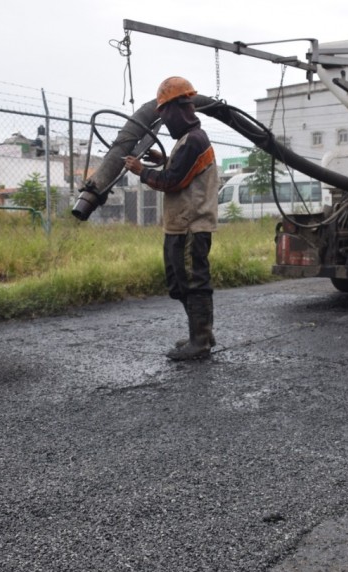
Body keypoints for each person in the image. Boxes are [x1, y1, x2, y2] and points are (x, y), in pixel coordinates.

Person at [124, 76, 219, 360]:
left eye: (165, 116)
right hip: (180, 224)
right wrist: (160, 159)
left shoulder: (193, 141)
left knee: (194, 281)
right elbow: (179, 170)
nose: (164, 123)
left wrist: (142, 171)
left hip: (192, 224)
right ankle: (201, 332)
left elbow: (173, 181)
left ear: (178, 109)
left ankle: (200, 341)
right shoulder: (187, 141)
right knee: (180, 283)